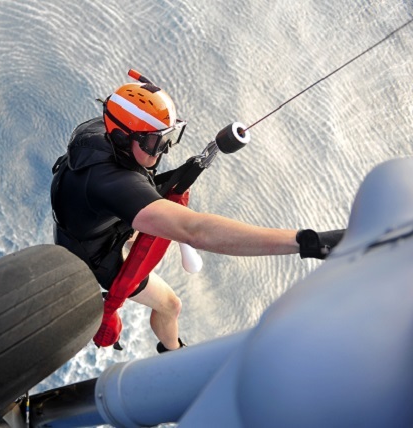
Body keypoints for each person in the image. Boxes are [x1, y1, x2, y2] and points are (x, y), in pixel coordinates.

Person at [50, 72, 344, 353]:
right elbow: (197, 231)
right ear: (123, 138)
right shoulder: (113, 184)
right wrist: (307, 241)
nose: (163, 150)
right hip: (93, 255)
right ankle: (172, 351)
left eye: (168, 136)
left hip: (91, 221)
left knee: (161, 211)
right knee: (170, 305)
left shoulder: (101, 130)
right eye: (154, 141)